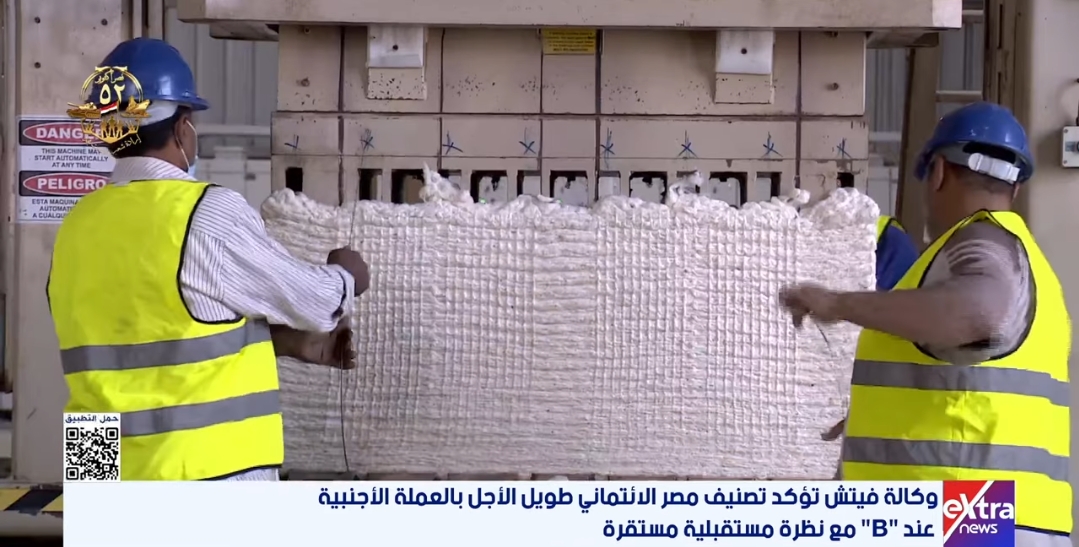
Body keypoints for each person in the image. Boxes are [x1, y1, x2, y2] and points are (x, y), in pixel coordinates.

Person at [47, 38, 371, 481]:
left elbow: (148, 331)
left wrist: (281, 342)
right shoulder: (205, 213)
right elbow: (317, 303)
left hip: (98, 477)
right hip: (199, 477)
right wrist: (347, 275)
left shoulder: (78, 225)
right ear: (183, 128)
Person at [780, 102, 1070, 546]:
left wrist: (836, 303)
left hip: (965, 517)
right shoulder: (1029, 265)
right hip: (1001, 518)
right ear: (1014, 186)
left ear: (938, 172)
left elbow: (982, 314)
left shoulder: (982, 243)